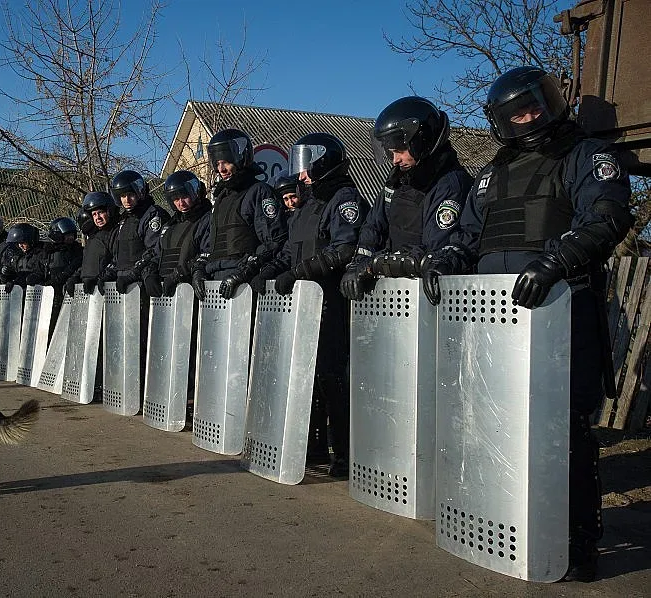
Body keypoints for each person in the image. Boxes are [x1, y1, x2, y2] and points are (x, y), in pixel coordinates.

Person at [419, 66, 633, 582]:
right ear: (502, 121)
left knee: (565, 431)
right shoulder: (492, 174)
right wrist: (445, 258)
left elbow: (607, 215)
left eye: (537, 104)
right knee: (493, 423)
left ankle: (578, 542)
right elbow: (466, 235)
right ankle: (500, 523)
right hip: (494, 323)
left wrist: (557, 261)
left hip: (560, 311)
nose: (531, 115)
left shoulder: (584, 156)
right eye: (519, 111)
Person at [249, 132, 367, 476]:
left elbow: (344, 248)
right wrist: (268, 272)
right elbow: (288, 250)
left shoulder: (344, 199)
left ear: (324, 163)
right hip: (304, 305)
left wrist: (300, 272)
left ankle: (344, 454)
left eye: (306, 167)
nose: (301, 175)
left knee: (334, 379)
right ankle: (312, 445)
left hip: (332, 302)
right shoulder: (307, 205)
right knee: (308, 377)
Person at [340, 96, 474, 300]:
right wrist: (359, 261)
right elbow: (373, 226)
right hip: (394, 290)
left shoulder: (450, 183)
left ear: (422, 141)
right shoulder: (398, 180)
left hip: (427, 293)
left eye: (400, 151)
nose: (395, 160)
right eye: (391, 152)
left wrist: (376, 263)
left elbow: (435, 245)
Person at [191, 128, 288, 300]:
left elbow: (274, 242)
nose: (221, 169)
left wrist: (246, 271)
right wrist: (198, 270)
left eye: (226, 162)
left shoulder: (258, 192)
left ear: (241, 158)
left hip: (243, 286)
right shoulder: (220, 199)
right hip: (214, 283)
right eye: (217, 163)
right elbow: (209, 245)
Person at [143, 170, 212, 296]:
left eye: (185, 196)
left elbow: (208, 252)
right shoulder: (170, 226)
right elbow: (158, 253)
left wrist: (178, 274)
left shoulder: (206, 220)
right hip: (166, 295)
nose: (181, 203)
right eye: (175, 199)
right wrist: (149, 272)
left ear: (195, 193)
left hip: (192, 292)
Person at [109, 170, 170, 295]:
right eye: (122, 196)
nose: (127, 200)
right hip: (123, 282)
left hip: (142, 282)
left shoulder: (152, 214)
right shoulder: (124, 220)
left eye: (130, 195)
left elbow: (154, 249)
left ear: (139, 193)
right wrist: (109, 272)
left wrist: (134, 274)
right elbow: (119, 254)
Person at [66, 192, 120, 296]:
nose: (97, 217)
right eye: (94, 214)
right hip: (88, 293)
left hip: (107, 291)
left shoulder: (116, 233)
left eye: (100, 213)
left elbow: (118, 260)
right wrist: (75, 277)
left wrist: (103, 277)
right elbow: (88, 263)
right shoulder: (92, 237)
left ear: (109, 211)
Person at [0, 223, 47, 291]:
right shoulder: (17, 257)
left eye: (23, 243)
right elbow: (14, 274)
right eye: (18, 243)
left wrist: (20, 281)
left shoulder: (40, 255)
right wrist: (5, 274)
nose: (20, 246)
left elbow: (39, 275)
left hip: (35, 294)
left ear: (30, 241)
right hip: (19, 295)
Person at [45, 217, 83, 287]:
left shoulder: (77, 251)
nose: (71, 238)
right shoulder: (48, 252)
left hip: (69, 287)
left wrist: (64, 275)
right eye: (67, 235)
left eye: (72, 235)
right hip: (50, 290)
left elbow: (78, 267)